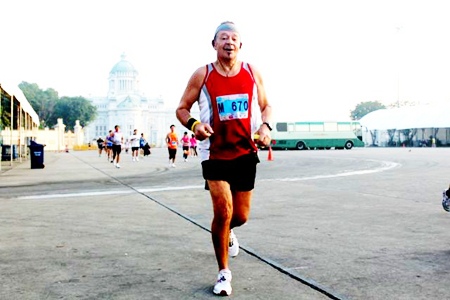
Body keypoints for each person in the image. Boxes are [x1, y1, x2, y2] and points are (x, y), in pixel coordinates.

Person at [175, 21, 272, 296]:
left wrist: (265, 127)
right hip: (214, 152)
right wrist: (194, 125)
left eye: (234, 38)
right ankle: (223, 273)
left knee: (239, 216)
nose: (229, 42)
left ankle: (228, 231)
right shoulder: (202, 75)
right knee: (223, 211)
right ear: (214, 44)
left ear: (240, 45)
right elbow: (182, 109)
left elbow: (267, 106)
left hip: (245, 151)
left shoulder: (253, 73)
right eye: (223, 38)